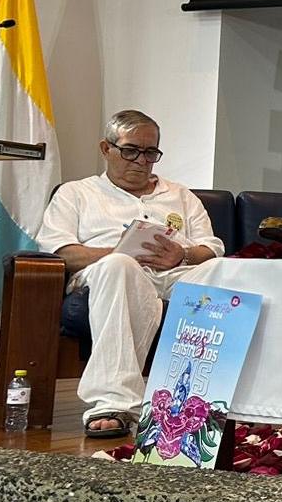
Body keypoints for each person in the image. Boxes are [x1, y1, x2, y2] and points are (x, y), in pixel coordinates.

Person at [35, 110, 225, 438]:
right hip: (106, 274)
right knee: (121, 267)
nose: (141, 160)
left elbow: (211, 248)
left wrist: (183, 254)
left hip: (174, 275)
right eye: (130, 150)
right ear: (105, 148)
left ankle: (210, 403)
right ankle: (114, 402)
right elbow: (62, 252)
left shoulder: (181, 195)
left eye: (150, 153)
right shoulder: (77, 193)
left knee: (224, 272)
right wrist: (120, 253)